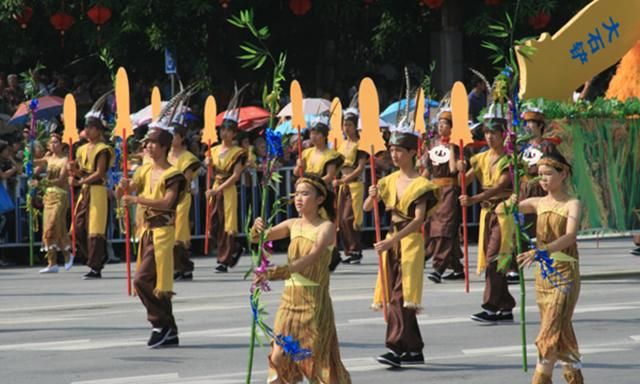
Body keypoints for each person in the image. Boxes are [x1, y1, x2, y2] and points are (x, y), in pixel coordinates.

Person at [250, 174, 351, 383]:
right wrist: (256, 227)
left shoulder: (327, 227)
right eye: (296, 194)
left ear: (319, 199)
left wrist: (278, 272)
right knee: (278, 355)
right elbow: (258, 237)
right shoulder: (292, 224)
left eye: (305, 194)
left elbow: (312, 257)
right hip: (289, 299)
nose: (298, 198)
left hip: (313, 301)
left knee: (314, 360)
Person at [364, 123, 439, 368]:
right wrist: (372, 194)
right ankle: (413, 349)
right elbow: (367, 208)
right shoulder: (389, 180)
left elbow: (418, 220)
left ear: (411, 152)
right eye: (392, 150)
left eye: (400, 150)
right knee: (396, 294)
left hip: (410, 242)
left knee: (400, 296)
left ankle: (395, 348)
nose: (394, 155)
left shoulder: (422, 184)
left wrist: (393, 240)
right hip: (391, 240)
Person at [513, 151, 584, 384]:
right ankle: (575, 378)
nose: (543, 179)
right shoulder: (537, 203)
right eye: (540, 175)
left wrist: (540, 251)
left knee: (549, 332)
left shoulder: (573, 204)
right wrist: (509, 203)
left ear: (563, 174)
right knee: (561, 330)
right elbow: (506, 209)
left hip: (565, 274)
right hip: (543, 276)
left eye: (548, 174)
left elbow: (570, 236)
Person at [117, 125, 186, 349]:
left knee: (142, 280)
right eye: (147, 143)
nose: (147, 146)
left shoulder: (174, 175)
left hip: (163, 233)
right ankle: (170, 330)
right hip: (146, 231)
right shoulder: (145, 170)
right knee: (156, 284)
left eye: (153, 143)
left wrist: (137, 200)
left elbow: (167, 203)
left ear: (165, 146)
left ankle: (159, 324)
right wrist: (123, 187)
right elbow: (129, 188)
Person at [459, 104, 516, 324]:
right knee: (493, 259)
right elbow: (462, 180)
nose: (490, 137)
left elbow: (501, 186)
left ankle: (491, 306)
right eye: (487, 132)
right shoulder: (482, 157)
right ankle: (505, 305)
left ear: (504, 134)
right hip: (486, 213)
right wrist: (461, 164)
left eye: (494, 132)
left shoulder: (510, 158)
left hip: (503, 211)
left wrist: (474, 199)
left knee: (494, 257)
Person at [68, 92, 115, 280]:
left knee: (95, 229)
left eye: (90, 127)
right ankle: (93, 258)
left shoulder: (102, 149)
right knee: (77, 228)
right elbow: (82, 171)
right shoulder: (80, 149)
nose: (86, 130)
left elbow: (99, 173)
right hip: (85, 190)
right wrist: (74, 171)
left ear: (98, 130)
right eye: (85, 127)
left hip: (96, 190)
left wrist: (80, 180)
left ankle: (95, 265)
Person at [510, 105, 557, 284]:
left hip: (540, 188)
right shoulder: (522, 147)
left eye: (532, 123)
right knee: (518, 227)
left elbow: (555, 167)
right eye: (526, 123)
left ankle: (545, 262)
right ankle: (515, 266)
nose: (528, 126)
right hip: (524, 189)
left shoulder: (547, 147)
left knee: (543, 228)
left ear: (539, 126)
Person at [294, 116, 344, 271]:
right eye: (311, 133)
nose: (313, 137)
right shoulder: (306, 153)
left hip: (322, 193)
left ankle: (330, 256)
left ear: (324, 136)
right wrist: (298, 165)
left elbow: (329, 175)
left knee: (323, 224)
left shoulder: (331, 155)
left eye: (317, 134)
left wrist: (313, 185)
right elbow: (297, 173)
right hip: (307, 194)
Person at [420, 107, 465, 283]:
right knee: (434, 227)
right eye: (439, 124)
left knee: (445, 229)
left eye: (445, 124)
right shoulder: (433, 145)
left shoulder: (457, 146)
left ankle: (438, 268)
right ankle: (456, 267)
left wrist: (452, 147)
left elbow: (454, 169)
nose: (441, 127)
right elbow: (427, 170)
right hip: (435, 190)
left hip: (449, 191)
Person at [206, 106, 247, 273]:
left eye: (229, 130)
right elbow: (210, 171)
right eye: (223, 129)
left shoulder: (239, 152)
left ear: (234, 134)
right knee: (215, 223)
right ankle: (236, 248)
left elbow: (235, 176)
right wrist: (207, 164)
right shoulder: (213, 150)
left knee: (228, 224)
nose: (225, 133)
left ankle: (224, 260)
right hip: (216, 187)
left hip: (227, 190)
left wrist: (219, 190)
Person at [32, 133, 73, 273]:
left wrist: (42, 182)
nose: (53, 145)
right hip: (48, 196)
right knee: (51, 228)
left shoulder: (65, 160)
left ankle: (67, 254)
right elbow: (31, 164)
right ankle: (53, 262)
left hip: (60, 196)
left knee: (53, 224)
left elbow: (61, 180)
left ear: (61, 145)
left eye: (56, 142)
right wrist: (27, 153)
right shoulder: (48, 158)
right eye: (51, 142)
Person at [335, 109, 368, 264]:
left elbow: (360, 167)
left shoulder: (360, 144)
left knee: (350, 218)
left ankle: (356, 249)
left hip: (355, 184)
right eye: (345, 124)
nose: (346, 128)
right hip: (343, 184)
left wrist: (347, 178)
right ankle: (348, 249)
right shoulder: (341, 145)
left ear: (355, 126)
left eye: (349, 124)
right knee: (341, 219)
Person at [168, 124, 200, 280]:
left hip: (181, 198)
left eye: (174, 135)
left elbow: (185, 181)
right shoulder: (165, 155)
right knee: (169, 233)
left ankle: (184, 267)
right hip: (166, 199)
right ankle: (176, 267)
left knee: (180, 233)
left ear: (181, 138)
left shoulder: (188, 158)